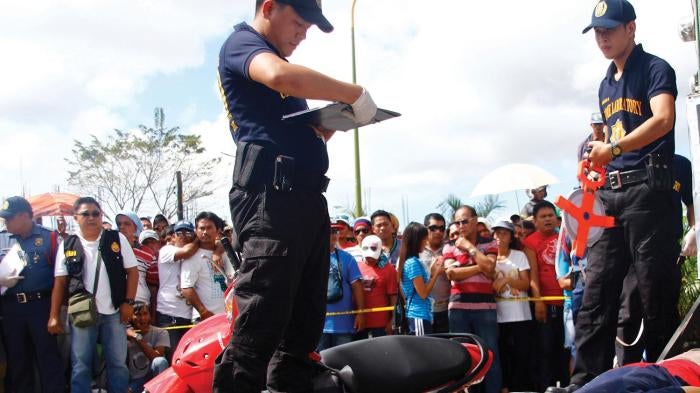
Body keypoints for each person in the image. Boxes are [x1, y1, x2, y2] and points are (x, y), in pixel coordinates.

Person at [213, 0, 378, 390]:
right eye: (300, 23)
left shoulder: (279, 67)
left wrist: (329, 123)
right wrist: (354, 93)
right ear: (269, 7)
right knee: (259, 326)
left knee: (302, 329)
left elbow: (288, 121)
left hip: (304, 198)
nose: (303, 34)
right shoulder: (243, 44)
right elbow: (281, 77)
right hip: (272, 198)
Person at [548, 1, 679, 391]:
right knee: (598, 292)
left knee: (654, 292)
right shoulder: (606, 83)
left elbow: (664, 118)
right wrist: (595, 158)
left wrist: (616, 150)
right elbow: (609, 140)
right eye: (597, 31)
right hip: (612, 194)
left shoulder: (655, 68)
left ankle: (660, 377)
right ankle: (586, 381)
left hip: (648, 192)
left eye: (609, 28)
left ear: (631, 28)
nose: (602, 37)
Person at [49, 196, 139, 393]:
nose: (91, 218)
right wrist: (54, 316)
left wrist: (129, 303)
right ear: (75, 217)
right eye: (85, 214)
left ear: (101, 215)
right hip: (82, 314)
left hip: (114, 311)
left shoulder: (116, 239)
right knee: (80, 365)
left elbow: (133, 271)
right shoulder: (68, 244)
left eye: (95, 213)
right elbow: (60, 281)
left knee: (117, 363)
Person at [616, 154, 695, 365]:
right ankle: (627, 373)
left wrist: (694, 229)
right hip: (633, 252)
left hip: (667, 251)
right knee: (629, 313)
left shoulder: (680, 164)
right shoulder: (628, 162)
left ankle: (664, 370)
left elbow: (691, 202)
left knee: (664, 313)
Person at [0, 196, 64, 393]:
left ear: (23, 216)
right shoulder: (2, 238)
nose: (5, 222)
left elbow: (61, 277)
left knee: (48, 358)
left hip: (41, 306)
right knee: (17, 360)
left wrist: (55, 313)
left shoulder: (49, 238)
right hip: (10, 308)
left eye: (9, 218)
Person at [443, 205, 501, 393]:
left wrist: (468, 248)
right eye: (457, 222)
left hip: (485, 308)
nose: (460, 226)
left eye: (465, 221)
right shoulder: (449, 246)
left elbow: (491, 269)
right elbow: (451, 274)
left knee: (490, 354)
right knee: (463, 356)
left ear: (476, 221)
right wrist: (481, 266)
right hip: (458, 308)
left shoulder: (490, 243)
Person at [523, 201, 569, 391]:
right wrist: (538, 301)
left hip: (566, 303)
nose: (548, 219)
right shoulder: (530, 242)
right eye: (543, 216)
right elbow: (533, 274)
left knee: (565, 351)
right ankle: (545, 387)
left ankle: (567, 387)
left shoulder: (564, 237)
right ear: (535, 221)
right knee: (545, 350)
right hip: (545, 305)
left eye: (551, 215)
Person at [492, 220, 534, 392]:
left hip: (520, 315)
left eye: (504, 233)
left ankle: (522, 388)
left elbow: (526, 284)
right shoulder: (489, 257)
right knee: (502, 355)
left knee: (522, 356)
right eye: (497, 233)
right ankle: (505, 387)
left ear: (511, 237)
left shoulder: (519, 256)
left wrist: (508, 279)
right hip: (498, 315)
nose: (499, 237)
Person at [317, 221, 364, 351]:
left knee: (343, 364)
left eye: (334, 231)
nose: (332, 235)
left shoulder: (348, 258)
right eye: (329, 231)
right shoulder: (312, 257)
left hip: (344, 324)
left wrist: (360, 313)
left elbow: (357, 286)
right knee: (318, 365)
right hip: (317, 325)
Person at [180, 212, 233, 322]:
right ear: (196, 230)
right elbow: (186, 288)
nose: (204, 232)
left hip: (228, 316)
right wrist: (203, 312)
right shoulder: (192, 256)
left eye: (209, 228)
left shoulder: (225, 253)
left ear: (218, 230)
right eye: (201, 228)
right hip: (205, 318)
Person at [156, 220, 197, 358]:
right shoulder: (166, 250)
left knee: (187, 357)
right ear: (173, 236)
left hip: (187, 315)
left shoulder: (195, 253)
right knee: (173, 358)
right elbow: (187, 251)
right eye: (180, 233)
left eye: (188, 232)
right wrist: (198, 240)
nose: (184, 236)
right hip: (168, 314)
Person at [398, 223, 445, 336]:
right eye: (424, 239)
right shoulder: (412, 263)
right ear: (417, 240)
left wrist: (432, 272)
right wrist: (436, 275)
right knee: (422, 353)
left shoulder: (412, 261)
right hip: (418, 316)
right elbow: (423, 293)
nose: (426, 242)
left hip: (421, 315)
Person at [354, 235, 398, 339]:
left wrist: (393, 320)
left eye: (373, 255)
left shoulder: (389, 270)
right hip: (360, 323)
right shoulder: (356, 267)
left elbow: (393, 296)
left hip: (381, 325)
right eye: (367, 256)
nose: (370, 258)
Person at [126, 302, 169, 393]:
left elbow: (156, 357)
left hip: (154, 380)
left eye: (145, 314)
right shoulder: (125, 334)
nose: (142, 318)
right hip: (135, 381)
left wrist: (137, 337)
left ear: (150, 315)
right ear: (130, 317)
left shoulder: (161, 333)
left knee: (160, 361)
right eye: (138, 315)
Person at [419, 213, 450, 333]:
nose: (438, 232)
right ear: (424, 228)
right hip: (424, 311)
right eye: (433, 228)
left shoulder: (449, 249)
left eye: (442, 228)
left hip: (446, 311)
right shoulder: (417, 251)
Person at [116, 211, 152, 305]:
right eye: (119, 224)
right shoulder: (111, 251)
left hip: (142, 303)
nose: (122, 227)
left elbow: (152, 283)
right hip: (118, 303)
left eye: (127, 224)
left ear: (135, 227)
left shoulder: (147, 253)